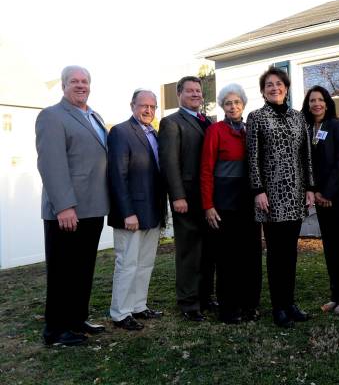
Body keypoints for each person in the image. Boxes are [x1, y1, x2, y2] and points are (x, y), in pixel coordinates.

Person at [35, 65, 109, 346]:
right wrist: (64, 206)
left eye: (85, 81)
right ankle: (55, 331)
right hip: (67, 211)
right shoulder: (52, 116)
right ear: (63, 85)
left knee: (83, 269)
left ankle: (77, 319)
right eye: (74, 81)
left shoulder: (94, 116)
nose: (81, 85)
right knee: (62, 272)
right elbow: (51, 164)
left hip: (93, 208)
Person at [246, 66, 315, 328]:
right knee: (276, 253)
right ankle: (278, 307)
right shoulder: (257, 117)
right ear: (263, 91)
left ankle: (290, 302)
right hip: (271, 197)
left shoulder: (298, 118)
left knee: (291, 252)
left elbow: (305, 156)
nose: (275, 88)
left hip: (295, 194)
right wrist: (258, 190)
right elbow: (251, 157)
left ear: (286, 88)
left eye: (279, 84)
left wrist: (310, 187)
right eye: (269, 85)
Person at [200, 84, 262, 324]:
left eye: (237, 102)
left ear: (243, 104)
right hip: (224, 205)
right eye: (228, 103)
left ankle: (250, 305)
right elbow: (206, 169)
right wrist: (208, 205)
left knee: (251, 256)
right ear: (222, 107)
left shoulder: (250, 130)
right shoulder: (215, 130)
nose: (233, 106)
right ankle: (229, 309)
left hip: (249, 203)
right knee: (228, 258)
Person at [107, 89, 166, 331]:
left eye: (152, 106)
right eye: (143, 105)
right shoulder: (121, 132)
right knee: (127, 263)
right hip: (131, 213)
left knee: (145, 263)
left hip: (153, 210)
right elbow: (117, 177)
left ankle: (139, 306)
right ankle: (120, 313)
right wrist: (127, 212)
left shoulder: (155, 133)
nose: (148, 110)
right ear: (132, 105)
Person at [158, 76, 215, 322]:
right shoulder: (171, 122)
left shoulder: (208, 121)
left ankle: (205, 296)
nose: (195, 94)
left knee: (208, 250)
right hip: (187, 198)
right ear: (179, 94)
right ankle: (188, 303)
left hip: (207, 198)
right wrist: (177, 196)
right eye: (189, 91)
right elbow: (169, 162)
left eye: (198, 91)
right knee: (189, 251)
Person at [300, 86, 339, 315]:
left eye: (320, 100)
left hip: (337, 197)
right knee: (330, 248)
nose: (316, 104)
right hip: (320, 198)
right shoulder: (308, 128)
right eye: (312, 100)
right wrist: (313, 191)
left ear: (327, 102)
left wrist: (327, 193)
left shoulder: (336, 125)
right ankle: (335, 295)